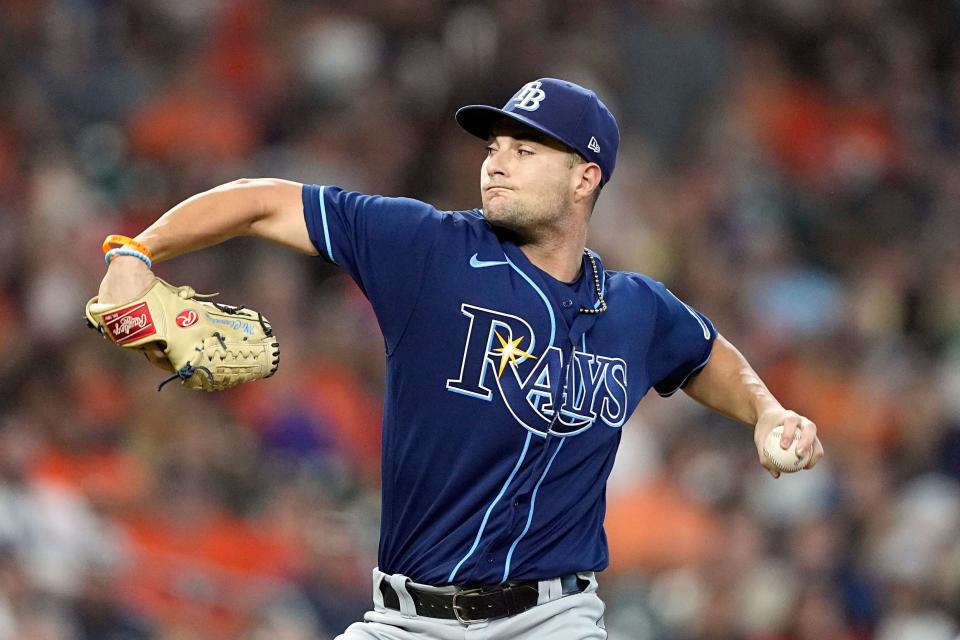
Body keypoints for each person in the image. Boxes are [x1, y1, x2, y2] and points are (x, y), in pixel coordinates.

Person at [96, 78, 823, 639]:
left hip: (551, 619)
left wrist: (766, 411)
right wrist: (138, 251)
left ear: (586, 178)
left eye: (525, 150)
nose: (496, 164)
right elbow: (263, 200)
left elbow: (706, 355)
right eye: (493, 147)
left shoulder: (636, 308)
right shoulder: (426, 248)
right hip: (407, 618)